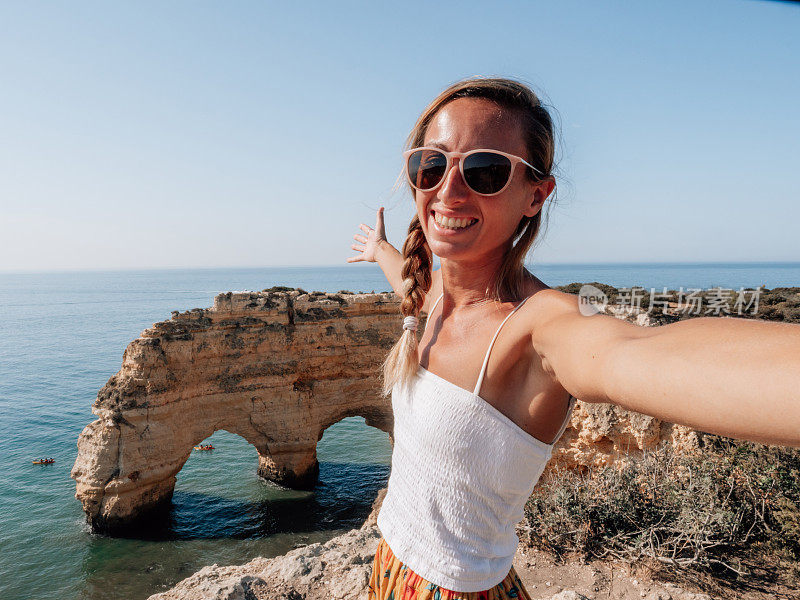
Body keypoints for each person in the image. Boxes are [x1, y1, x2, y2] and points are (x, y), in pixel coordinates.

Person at [347, 77, 800, 600]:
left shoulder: (540, 328)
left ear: (535, 195)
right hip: (391, 564)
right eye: (432, 163)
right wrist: (381, 249)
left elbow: (631, 355)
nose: (448, 190)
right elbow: (411, 281)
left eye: (485, 171)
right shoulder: (437, 296)